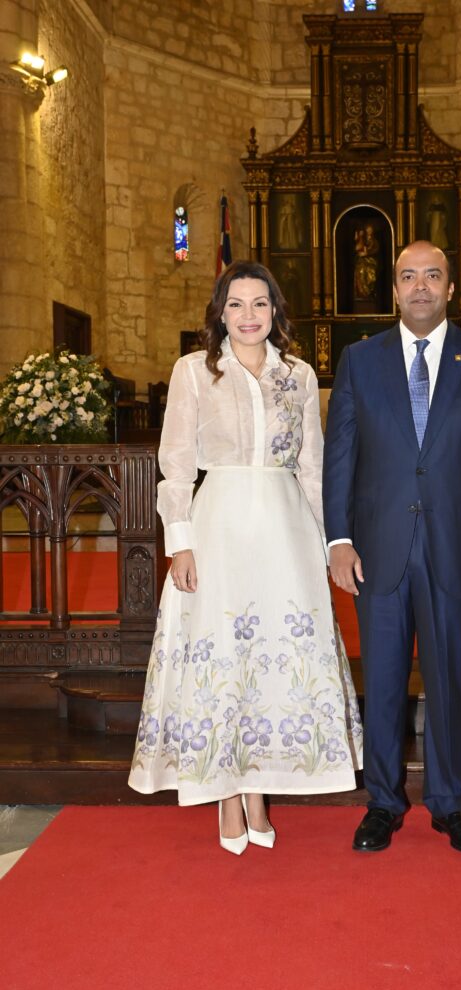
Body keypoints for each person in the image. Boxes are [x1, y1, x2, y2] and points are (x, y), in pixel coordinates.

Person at [129, 261, 362, 854]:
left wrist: (329, 539)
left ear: (276, 314)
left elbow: (313, 466)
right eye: (237, 304)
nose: (249, 315)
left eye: (261, 304)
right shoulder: (193, 371)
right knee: (226, 654)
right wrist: (179, 542)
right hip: (220, 525)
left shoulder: (301, 376)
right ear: (220, 312)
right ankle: (228, 797)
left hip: (285, 528)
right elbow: (176, 464)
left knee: (273, 660)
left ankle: (258, 788)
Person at [323, 240, 461, 855]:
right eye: (408, 276)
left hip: (457, 547)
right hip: (378, 549)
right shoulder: (359, 361)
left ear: (450, 288)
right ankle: (381, 803)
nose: (419, 287)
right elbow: (341, 457)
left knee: (446, 679)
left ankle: (450, 805)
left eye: (431, 276)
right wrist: (337, 537)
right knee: (382, 681)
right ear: (393, 289)